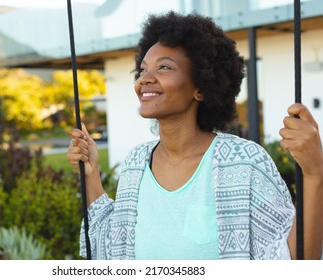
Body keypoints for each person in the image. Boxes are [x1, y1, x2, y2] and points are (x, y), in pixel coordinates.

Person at [67, 11, 323, 260]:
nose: (145, 79)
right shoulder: (136, 164)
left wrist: (313, 174)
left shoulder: (244, 162)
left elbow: (293, 260)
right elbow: (112, 247)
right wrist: (90, 173)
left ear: (200, 87)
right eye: (142, 70)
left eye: (164, 67)